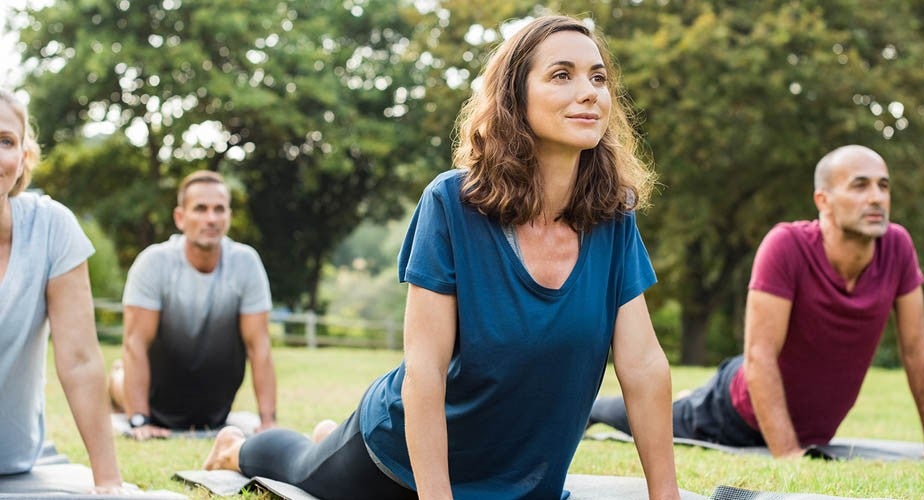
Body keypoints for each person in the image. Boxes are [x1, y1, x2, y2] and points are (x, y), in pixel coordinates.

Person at [203, 15, 681, 500]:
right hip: (401, 463)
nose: (589, 93)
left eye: (598, 77)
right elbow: (425, 371)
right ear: (515, 97)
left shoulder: (612, 218)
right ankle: (235, 448)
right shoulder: (452, 204)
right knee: (300, 466)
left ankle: (328, 435)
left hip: (517, 476)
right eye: (562, 75)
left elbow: (643, 365)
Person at [589, 145, 924, 460]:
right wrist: (788, 454)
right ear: (823, 200)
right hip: (734, 413)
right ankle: (592, 409)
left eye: (883, 186)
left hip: (809, 427)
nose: (876, 197)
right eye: (860, 185)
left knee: (680, 404)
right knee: (655, 418)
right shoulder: (787, 245)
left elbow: (917, 349)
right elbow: (760, 356)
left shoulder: (897, 247)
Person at [0, 88, 126, 492]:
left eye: (5, 141)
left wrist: (108, 482)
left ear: (23, 158)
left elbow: (80, 360)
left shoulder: (51, 227)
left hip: (11, 458)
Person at [109, 169, 277, 440]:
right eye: (200, 209)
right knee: (122, 378)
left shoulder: (246, 263)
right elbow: (135, 343)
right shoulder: (153, 263)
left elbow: (259, 346)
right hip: (155, 397)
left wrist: (268, 421)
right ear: (180, 217)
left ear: (229, 216)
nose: (211, 218)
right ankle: (117, 380)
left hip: (212, 408)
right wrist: (139, 420)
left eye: (219, 209)